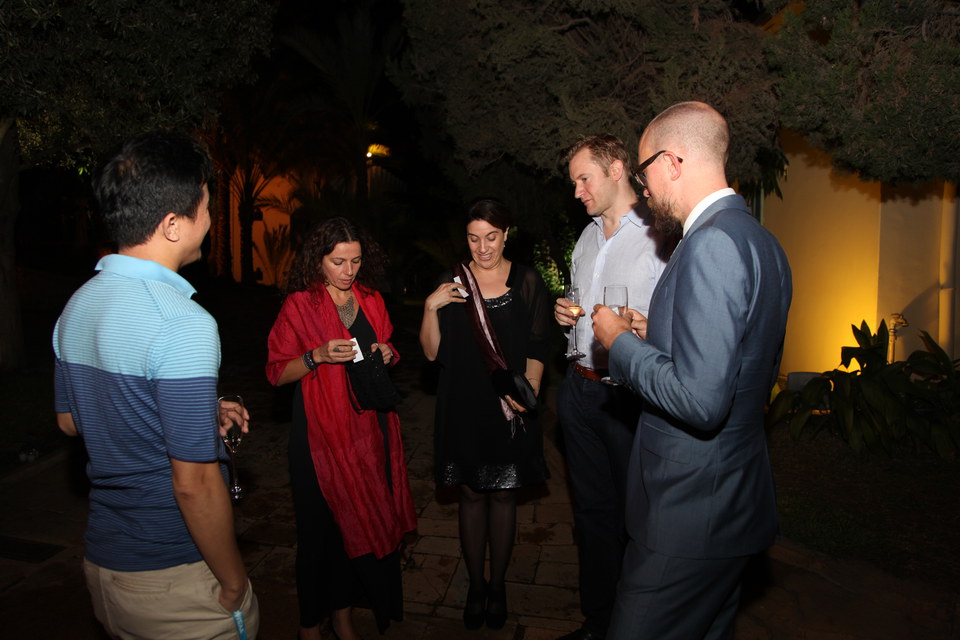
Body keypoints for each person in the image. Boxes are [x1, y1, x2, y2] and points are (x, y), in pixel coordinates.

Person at [591, 101, 793, 639]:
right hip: (727, 503)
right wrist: (653, 333)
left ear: (672, 162)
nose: (643, 189)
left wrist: (618, 343)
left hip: (689, 510)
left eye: (643, 172)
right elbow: (736, 359)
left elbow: (702, 401)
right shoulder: (760, 241)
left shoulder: (712, 243)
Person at [52, 131, 259, 639]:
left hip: (106, 566)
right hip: (175, 574)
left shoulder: (78, 305)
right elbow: (194, 483)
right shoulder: (182, 323)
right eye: (206, 206)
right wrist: (233, 581)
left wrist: (195, 408)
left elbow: (71, 421)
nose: (210, 219)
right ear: (172, 224)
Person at [266, 217, 416, 640]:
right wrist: (315, 356)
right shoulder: (301, 305)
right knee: (320, 534)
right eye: (338, 262)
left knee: (360, 529)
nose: (349, 271)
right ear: (318, 261)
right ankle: (309, 624)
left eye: (356, 261)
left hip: (368, 432)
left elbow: (388, 349)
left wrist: (387, 353)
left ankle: (343, 614)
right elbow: (276, 372)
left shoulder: (371, 299)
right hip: (320, 437)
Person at [553, 134, 672, 640]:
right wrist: (564, 315)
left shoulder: (659, 235)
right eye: (574, 182)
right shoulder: (586, 238)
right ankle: (597, 622)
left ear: (617, 169)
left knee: (635, 519)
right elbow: (580, 306)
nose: (577, 191)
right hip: (579, 390)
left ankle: (635, 626)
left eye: (585, 178)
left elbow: (676, 323)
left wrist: (645, 327)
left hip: (629, 397)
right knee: (591, 515)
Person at [420, 199, 551, 631]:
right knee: (472, 495)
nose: (483, 247)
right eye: (474, 238)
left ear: (506, 234)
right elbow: (432, 354)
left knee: (505, 494)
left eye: (491, 237)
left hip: (509, 407)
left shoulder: (527, 280)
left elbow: (538, 344)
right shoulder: (452, 283)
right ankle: (476, 585)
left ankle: (498, 586)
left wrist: (529, 392)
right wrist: (430, 307)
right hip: (463, 405)